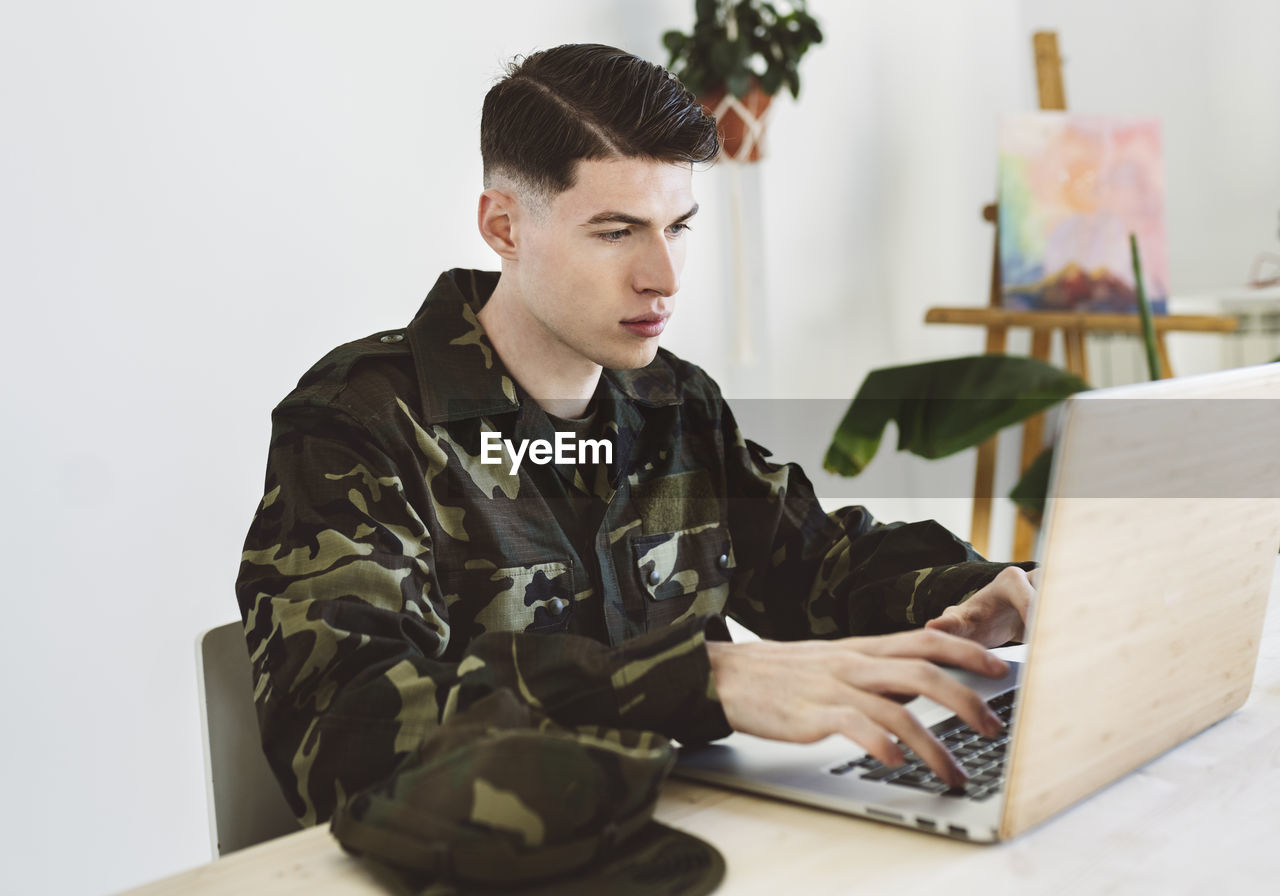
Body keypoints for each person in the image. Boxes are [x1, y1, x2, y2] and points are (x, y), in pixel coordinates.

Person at [236, 43, 1036, 829]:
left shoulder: (674, 401)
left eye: (678, 227)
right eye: (618, 232)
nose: (666, 276)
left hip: (700, 834)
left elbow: (820, 567)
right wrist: (702, 678)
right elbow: (347, 733)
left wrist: (983, 594)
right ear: (504, 227)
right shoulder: (359, 423)